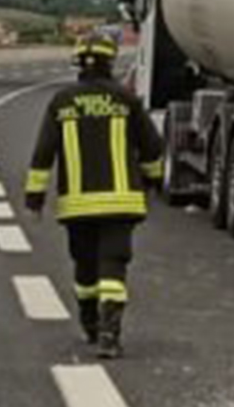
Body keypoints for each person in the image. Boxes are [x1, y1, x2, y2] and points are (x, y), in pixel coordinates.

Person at [22, 37, 164, 357]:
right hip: (121, 204)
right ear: (110, 62)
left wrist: (34, 198)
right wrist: (153, 180)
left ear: (78, 63)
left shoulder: (62, 102)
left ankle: (89, 324)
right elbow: (152, 147)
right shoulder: (126, 99)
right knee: (113, 265)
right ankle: (109, 335)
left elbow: (43, 152)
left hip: (77, 206)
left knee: (85, 268)